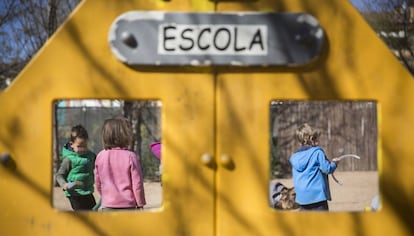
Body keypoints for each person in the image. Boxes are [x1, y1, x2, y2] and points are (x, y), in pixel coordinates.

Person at [94, 118, 146, 210]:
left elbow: (98, 182)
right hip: (128, 206)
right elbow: (137, 184)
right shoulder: (131, 156)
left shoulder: (100, 156)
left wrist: (106, 196)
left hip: (107, 206)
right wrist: (140, 203)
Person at [289, 123, 340, 211]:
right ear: (312, 139)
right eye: (317, 137)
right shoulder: (317, 152)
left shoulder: (295, 157)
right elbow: (327, 169)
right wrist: (334, 163)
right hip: (317, 197)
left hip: (302, 198)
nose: (318, 140)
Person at [55, 125, 97, 211]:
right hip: (75, 194)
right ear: (72, 144)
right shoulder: (69, 159)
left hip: (87, 191)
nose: (82, 149)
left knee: (94, 213)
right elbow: (59, 175)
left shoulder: (91, 156)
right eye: (79, 146)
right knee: (83, 215)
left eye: (85, 146)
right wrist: (64, 184)